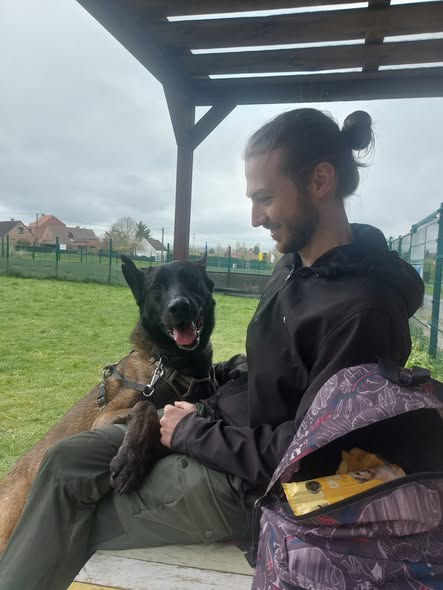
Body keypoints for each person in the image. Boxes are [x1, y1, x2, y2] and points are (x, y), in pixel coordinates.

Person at [0, 108, 423, 590]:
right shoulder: (293, 268)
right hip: (217, 428)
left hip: (247, 483)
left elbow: (312, 456)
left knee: (69, 509)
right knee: (64, 461)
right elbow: (273, 378)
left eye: (264, 198)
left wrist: (191, 433)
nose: (255, 217)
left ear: (320, 181)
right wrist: (213, 387)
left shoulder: (363, 311)